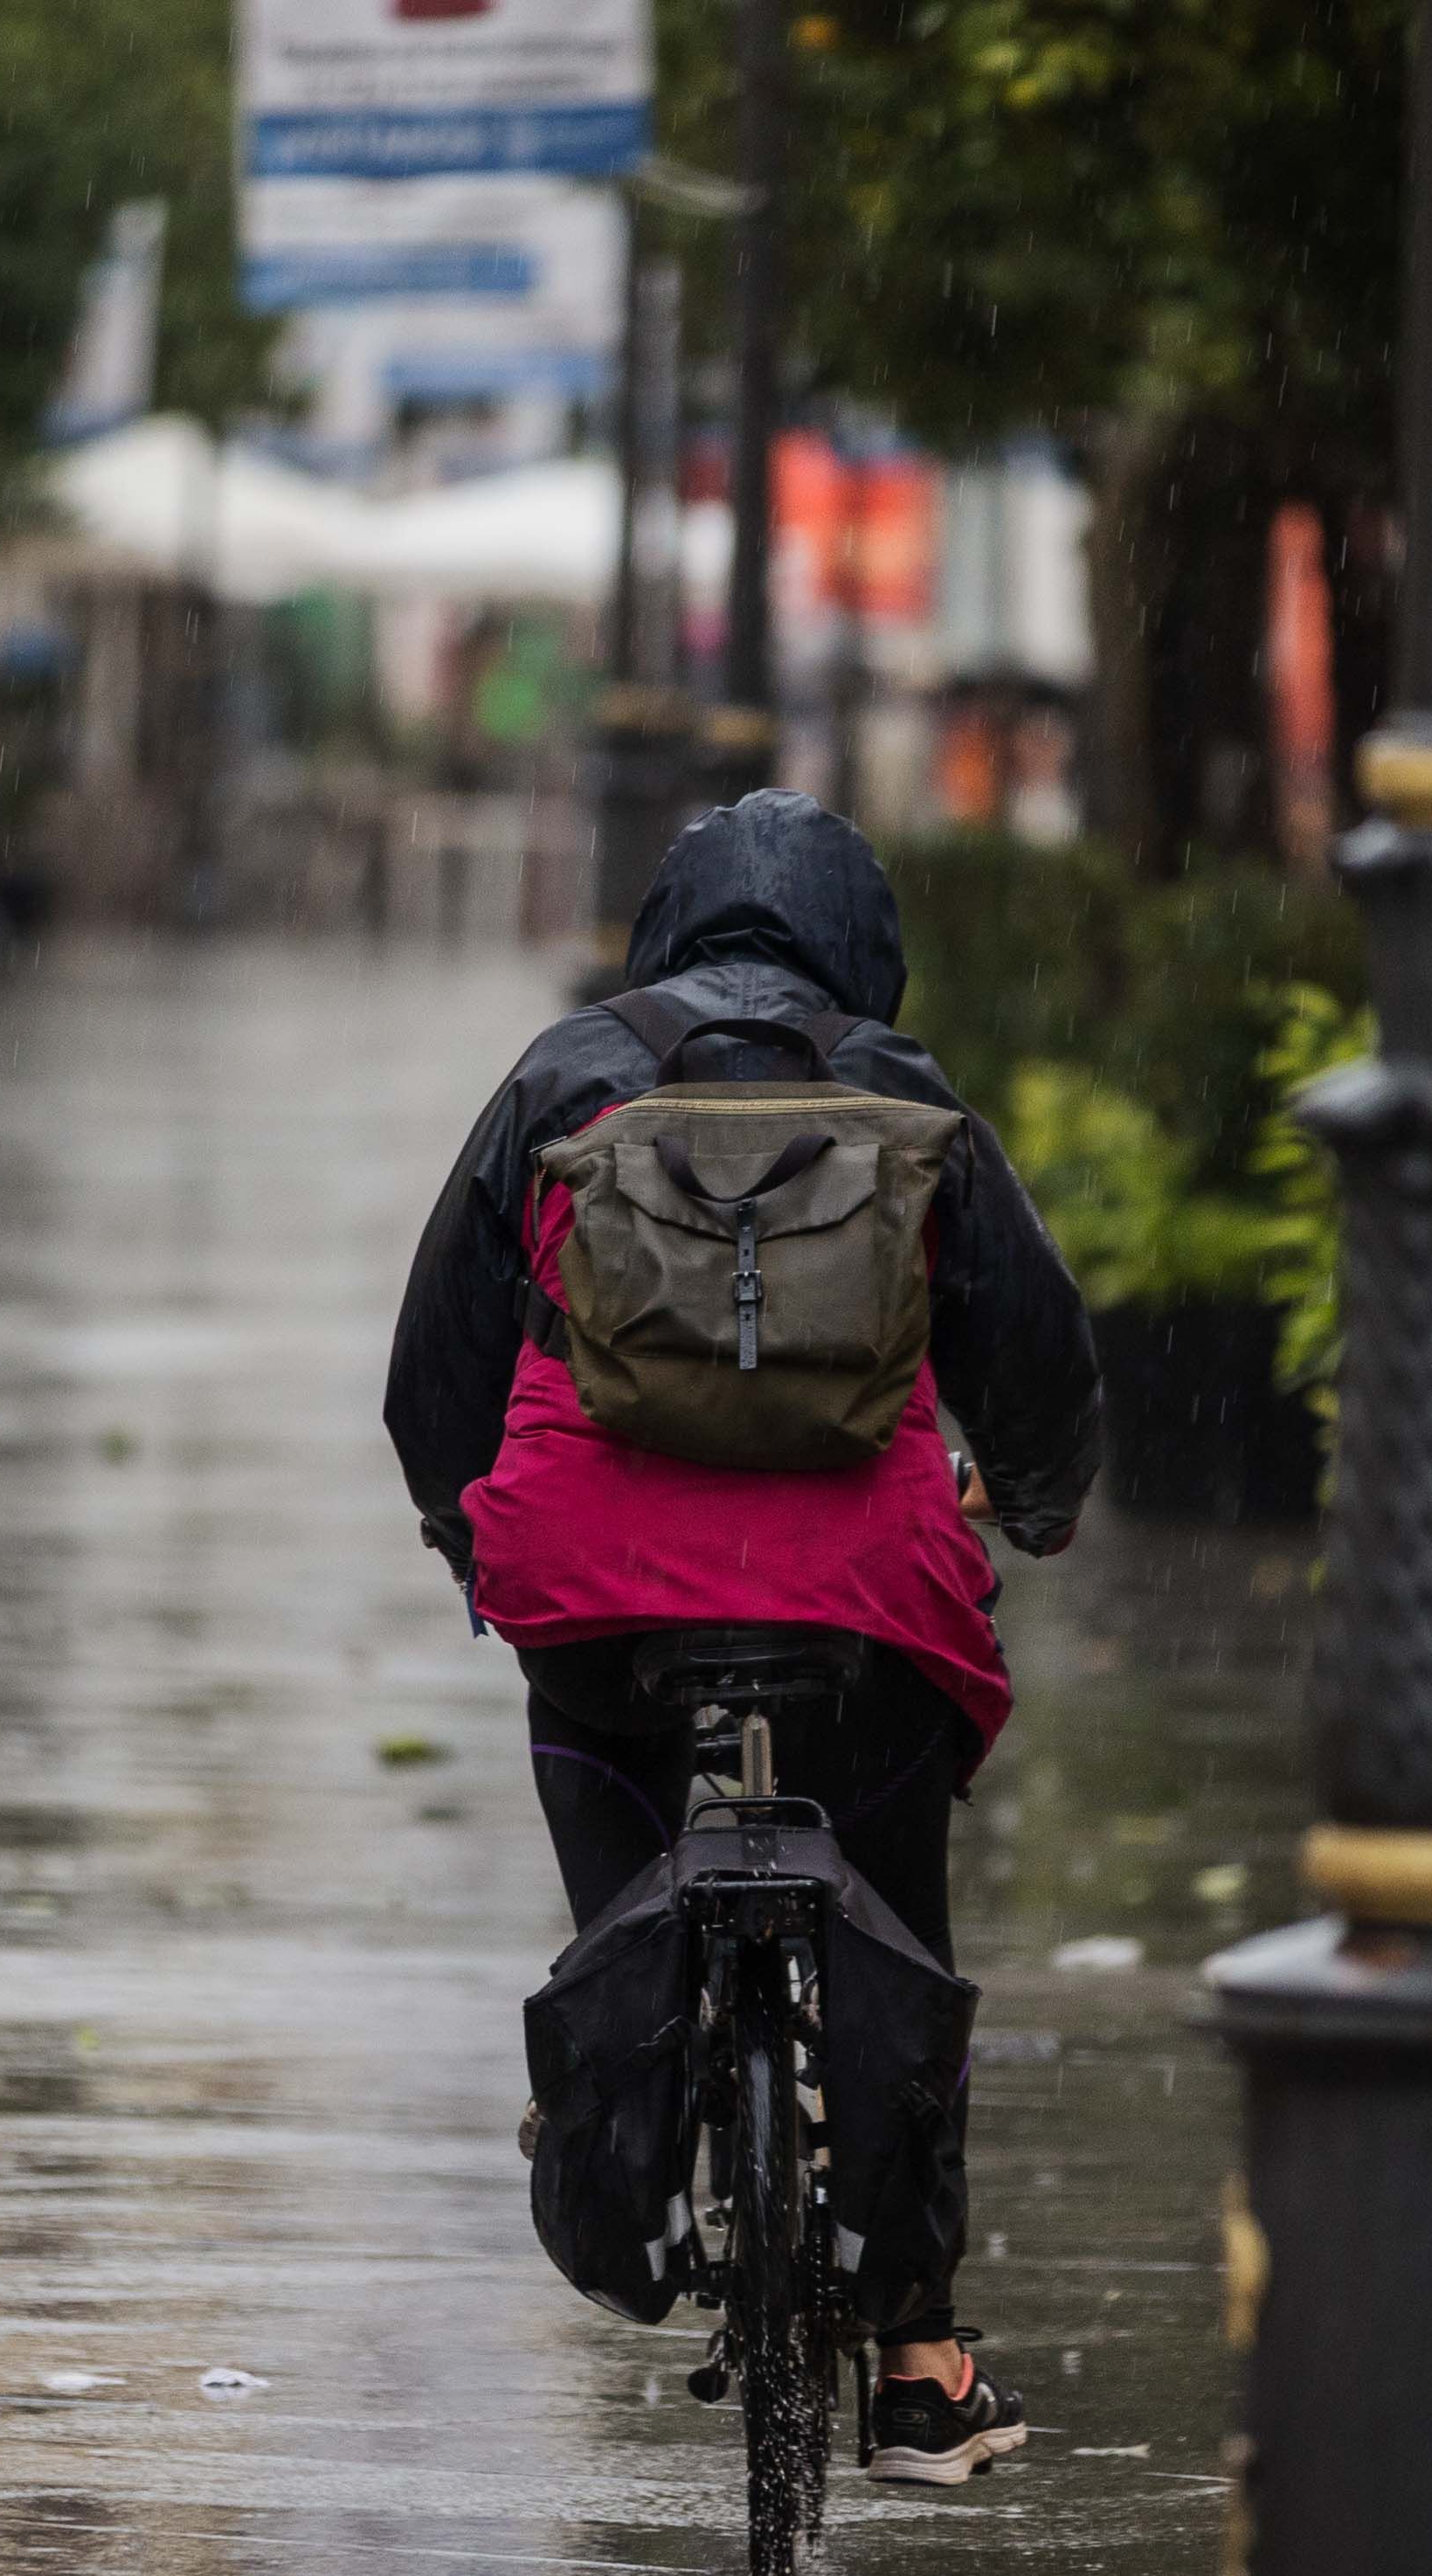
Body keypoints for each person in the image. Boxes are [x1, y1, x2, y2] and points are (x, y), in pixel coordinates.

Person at [384, 789, 1103, 2486]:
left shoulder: (565, 1078)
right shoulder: (907, 1095)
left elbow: (439, 1363)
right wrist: (1042, 1501)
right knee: (905, 1931)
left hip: (600, 1589)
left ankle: (615, 2074)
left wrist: (466, 1533)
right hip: (872, 1589)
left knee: (613, 1839)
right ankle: (920, 2354)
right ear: (866, 943)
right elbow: (1038, 1355)